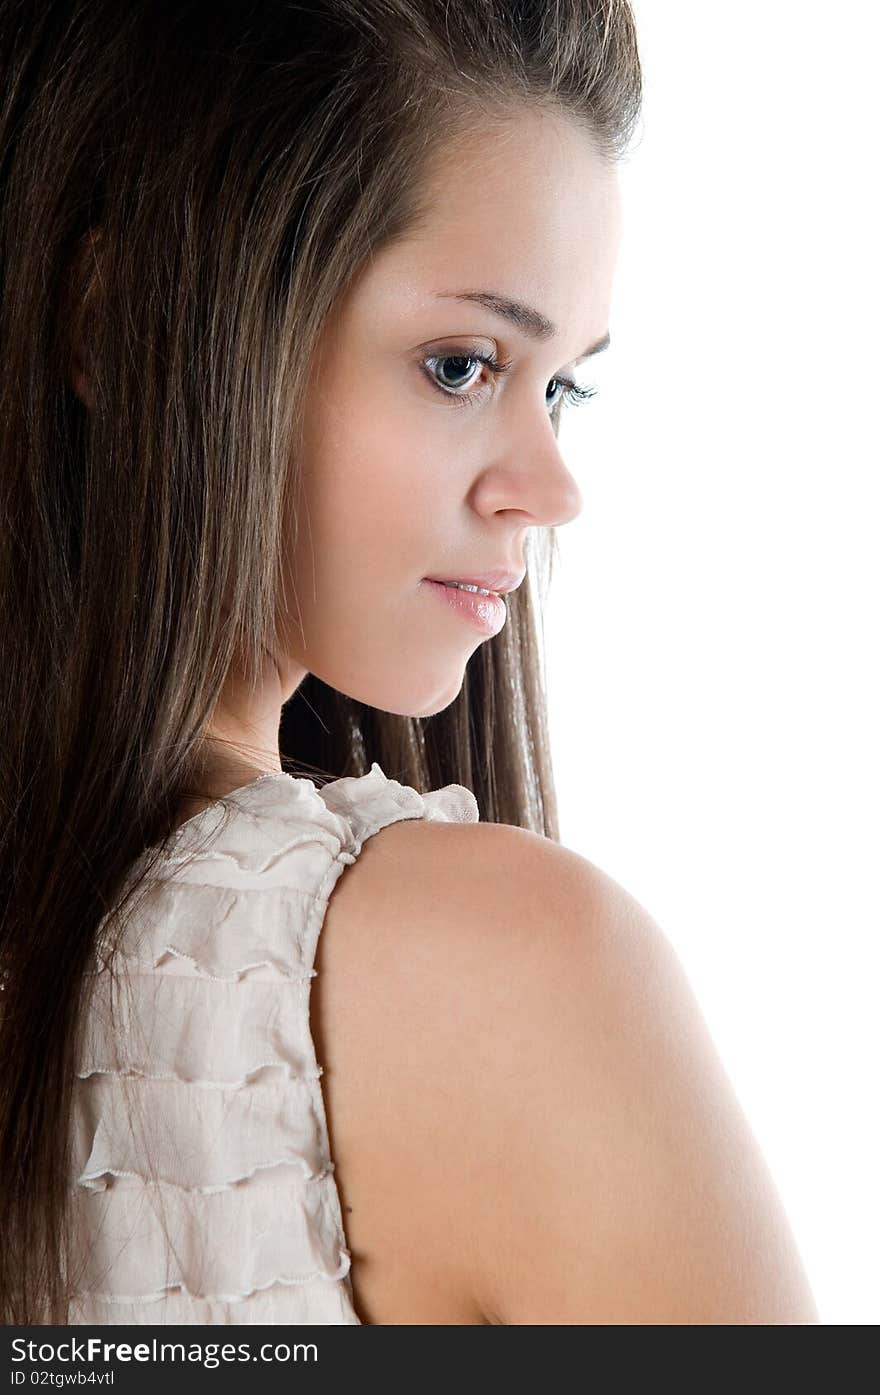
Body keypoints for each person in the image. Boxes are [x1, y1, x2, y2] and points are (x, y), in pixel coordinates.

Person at [0, 0, 819, 1325]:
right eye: (461, 364)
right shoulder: (516, 975)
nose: (550, 489)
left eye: (564, 388)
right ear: (116, 319)